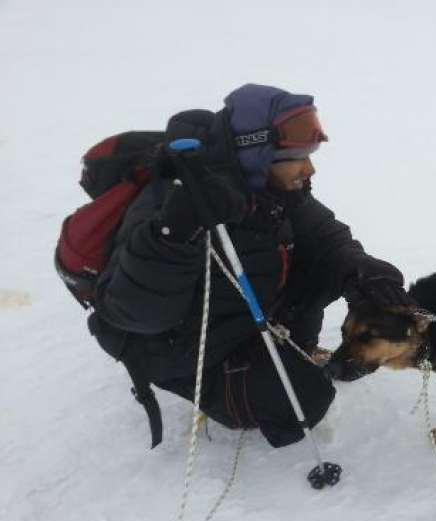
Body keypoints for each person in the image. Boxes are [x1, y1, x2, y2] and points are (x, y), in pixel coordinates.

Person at [88, 83, 410, 448]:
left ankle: (287, 351)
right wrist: (171, 236)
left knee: (325, 271)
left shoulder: (273, 188)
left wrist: (362, 269)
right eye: (299, 157)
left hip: (238, 312)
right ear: (259, 153)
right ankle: (228, 388)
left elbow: (324, 237)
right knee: (301, 399)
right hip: (183, 349)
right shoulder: (176, 201)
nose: (310, 168)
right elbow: (131, 312)